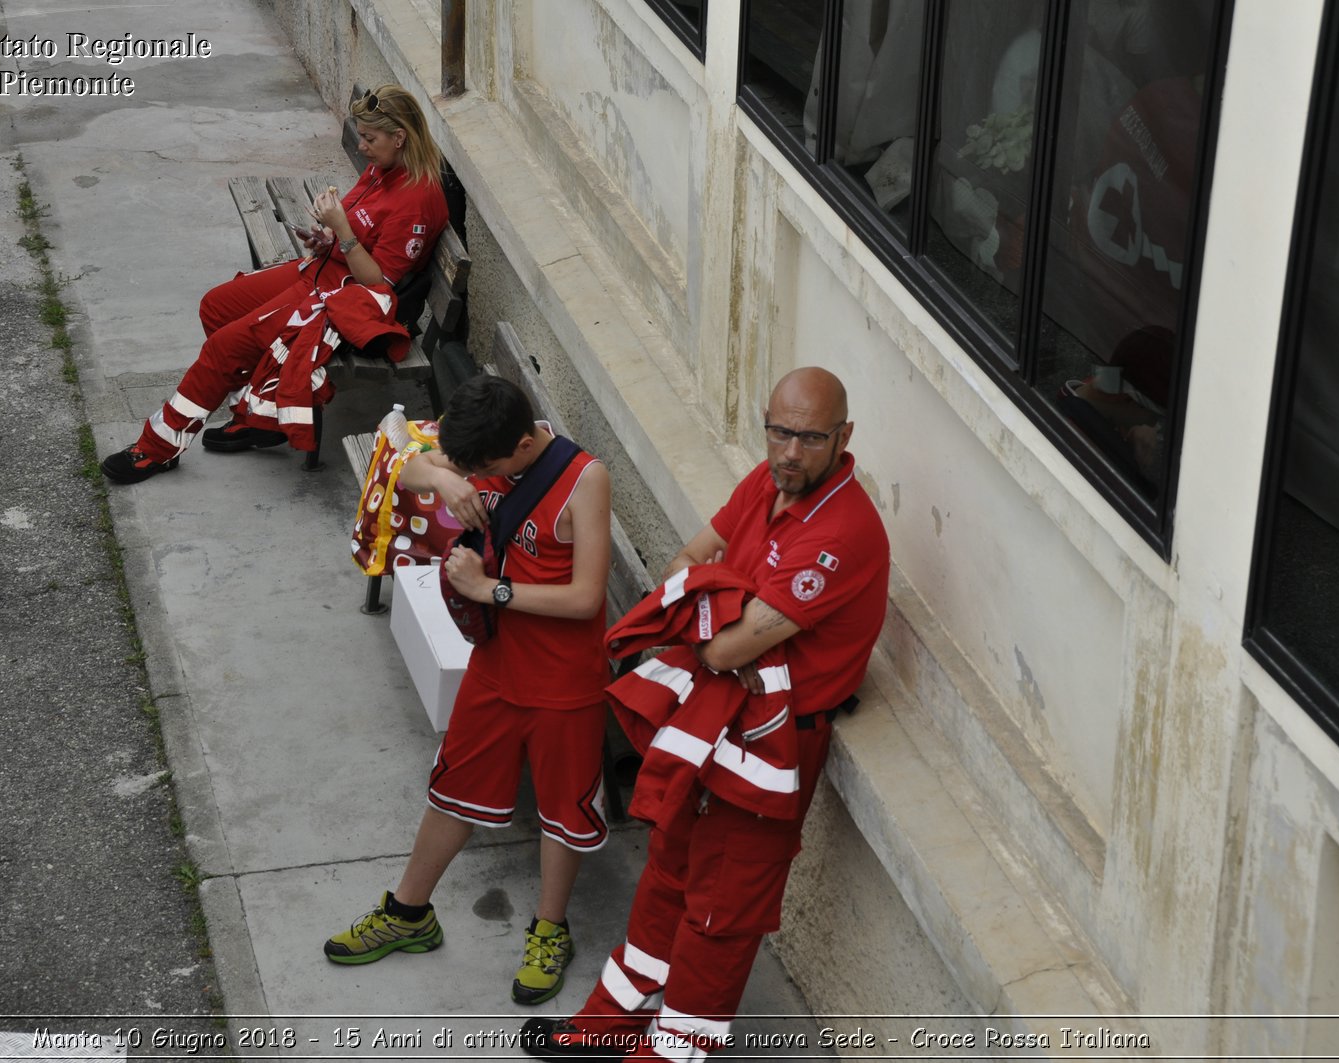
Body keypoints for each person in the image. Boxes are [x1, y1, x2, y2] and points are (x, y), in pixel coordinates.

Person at [523, 367, 890, 1060]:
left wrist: (712, 610)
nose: (788, 451)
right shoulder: (769, 479)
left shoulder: (840, 530)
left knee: (722, 910)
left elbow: (720, 642)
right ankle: (616, 1015)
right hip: (714, 715)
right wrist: (717, 607)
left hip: (772, 742)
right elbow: (689, 565)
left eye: (810, 437)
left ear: (844, 438)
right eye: (779, 430)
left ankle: (673, 1051)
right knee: (670, 865)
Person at [323, 374, 614, 1006]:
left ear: (520, 447)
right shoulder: (480, 450)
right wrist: (449, 479)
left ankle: (549, 929)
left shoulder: (584, 479)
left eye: (482, 468)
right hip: (496, 665)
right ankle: (408, 914)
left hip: (565, 683)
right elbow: (402, 462)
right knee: (453, 788)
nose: (475, 475)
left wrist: (490, 590)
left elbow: (588, 597)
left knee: (563, 812)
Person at [101, 84, 450, 483]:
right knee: (216, 305)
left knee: (223, 348)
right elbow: (354, 230)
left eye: (370, 139)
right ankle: (259, 420)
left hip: (339, 296)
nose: (363, 147)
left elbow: (380, 283)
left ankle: (157, 449)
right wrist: (327, 237)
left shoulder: (419, 199)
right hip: (321, 268)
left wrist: (342, 231)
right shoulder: (384, 167)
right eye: (362, 137)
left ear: (400, 137)